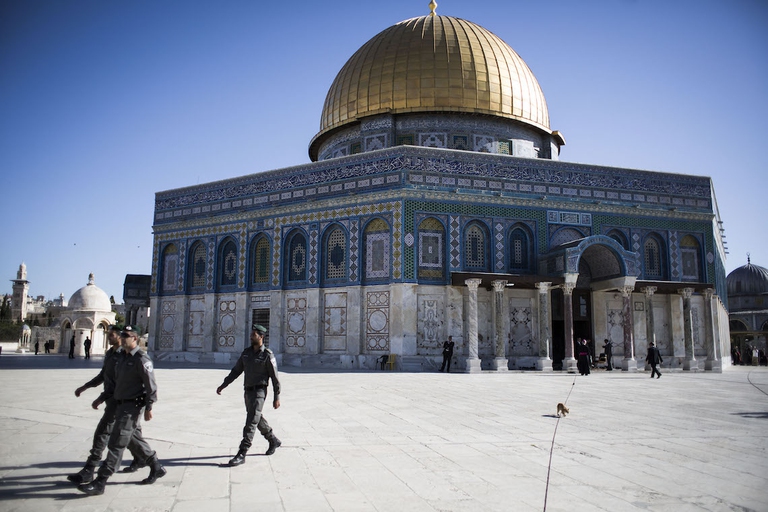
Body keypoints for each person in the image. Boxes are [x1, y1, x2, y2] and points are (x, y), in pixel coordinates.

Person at [78, 326, 165, 496]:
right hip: (119, 403)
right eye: (122, 335)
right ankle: (156, 466)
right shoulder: (122, 358)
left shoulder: (142, 360)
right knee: (132, 439)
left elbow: (151, 387)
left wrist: (149, 407)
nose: (123, 338)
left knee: (116, 443)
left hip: (133, 406)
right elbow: (114, 382)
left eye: (126, 336)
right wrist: (101, 397)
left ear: (135, 338)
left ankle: (101, 480)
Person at [68, 326, 144, 485]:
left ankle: (92, 470)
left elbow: (120, 382)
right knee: (132, 436)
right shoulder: (111, 354)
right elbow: (104, 375)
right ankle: (148, 461)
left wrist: (101, 398)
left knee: (105, 433)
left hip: (120, 401)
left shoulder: (126, 356)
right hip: (114, 399)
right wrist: (85, 387)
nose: (110, 337)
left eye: (113, 335)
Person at [217, 324, 281, 466]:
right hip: (248, 391)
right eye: (252, 334)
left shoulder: (267, 355)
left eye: (254, 334)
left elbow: (275, 378)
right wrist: (223, 385)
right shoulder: (246, 353)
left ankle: (242, 452)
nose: (251, 336)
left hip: (259, 391)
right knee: (256, 418)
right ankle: (273, 440)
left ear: (261, 336)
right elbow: (236, 371)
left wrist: (277, 397)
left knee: (251, 420)